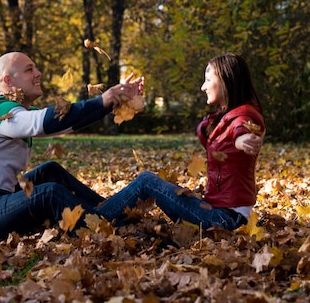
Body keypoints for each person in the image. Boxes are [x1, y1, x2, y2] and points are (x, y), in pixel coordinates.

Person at [0, 51, 144, 239]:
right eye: (29, 69)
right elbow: (46, 122)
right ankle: (117, 233)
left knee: (50, 171)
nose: (38, 73)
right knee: (49, 193)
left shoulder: (18, 111)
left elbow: (64, 123)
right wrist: (103, 99)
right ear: (8, 81)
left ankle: (109, 214)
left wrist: (111, 102)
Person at [96, 53, 264, 231]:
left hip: (225, 220)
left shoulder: (243, 116)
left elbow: (242, 129)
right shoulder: (226, 117)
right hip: (221, 214)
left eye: (208, 80)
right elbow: (207, 133)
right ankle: (104, 216)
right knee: (152, 185)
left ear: (226, 80)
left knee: (147, 181)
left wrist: (243, 140)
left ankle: (91, 222)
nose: (203, 87)